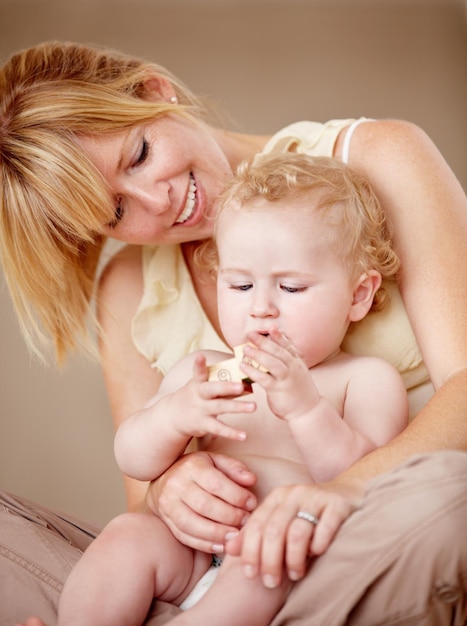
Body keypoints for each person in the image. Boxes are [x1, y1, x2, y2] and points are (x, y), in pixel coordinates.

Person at [0, 40, 466, 626]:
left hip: (361, 540)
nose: (157, 200)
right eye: (116, 212)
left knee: (451, 499)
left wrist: (343, 488)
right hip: (197, 567)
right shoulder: (129, 289)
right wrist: (172, 483)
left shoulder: (379, 160)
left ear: (154, 91)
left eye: (139, 154)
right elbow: (143, 490)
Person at [22, 154, 408, 626]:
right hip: (194, 554)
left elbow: (369, 486)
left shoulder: (364, 379)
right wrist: (174, 418)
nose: (261, 309)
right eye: (241, 284)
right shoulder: (204, 371)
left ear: (358, 295)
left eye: (290, 288)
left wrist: (307, 410)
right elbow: (132, 458)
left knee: (262, 567)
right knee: (128, 535)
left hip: (286, 561)